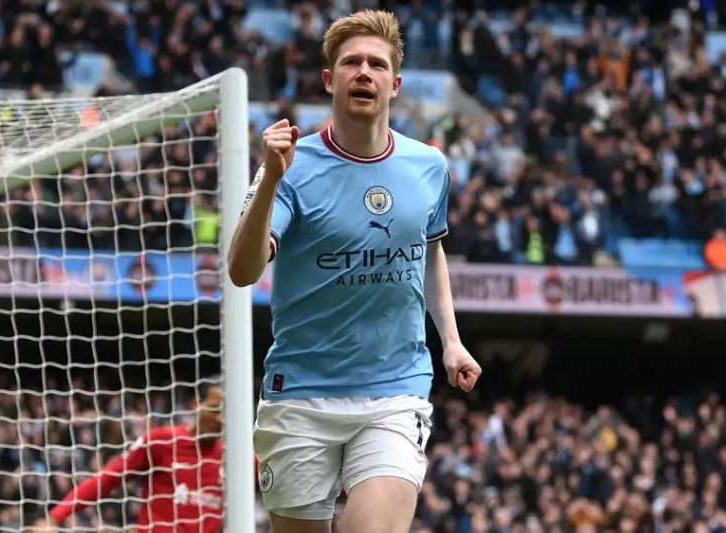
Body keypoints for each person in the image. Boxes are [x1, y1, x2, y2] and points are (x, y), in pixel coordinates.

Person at [228, 9, 482, 533]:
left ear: (395, 84)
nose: (364, 72)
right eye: (351, 63)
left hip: (395, 390)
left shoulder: (429, 166)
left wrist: (452, 342)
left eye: (376, 64)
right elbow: (242, 270)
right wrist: (270, 179)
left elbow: (428, 250)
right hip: (300, 393)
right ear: (330, 79)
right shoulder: (290, 167)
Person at [29, 383, 228, 533]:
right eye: (214, 409)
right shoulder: (162, 441)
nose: (220, 418)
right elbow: (108, 478)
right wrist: (56, 516)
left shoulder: (232, 459)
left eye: (226, 411)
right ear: (196, 404)